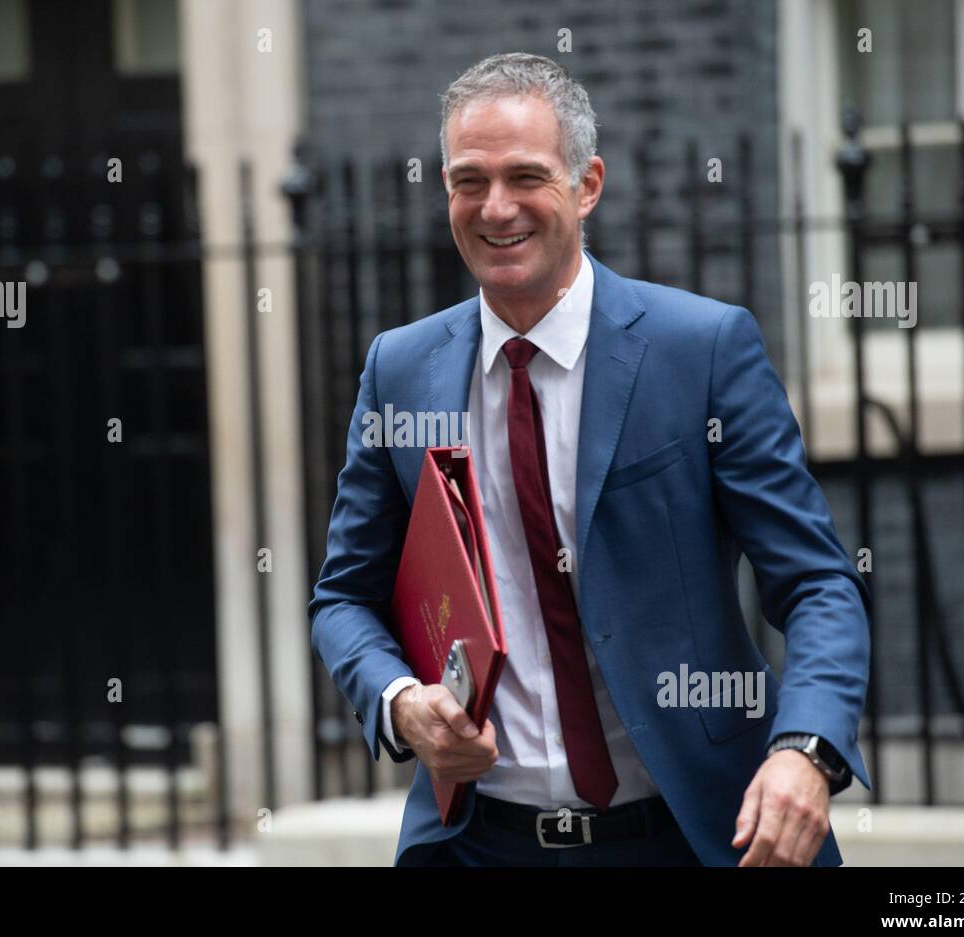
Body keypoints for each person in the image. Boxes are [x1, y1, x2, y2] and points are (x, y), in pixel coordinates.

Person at [308, 52, 870, 866]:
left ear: (587, 185)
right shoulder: (401, 368)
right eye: (469, 181)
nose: (495, 207)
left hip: (694, 835)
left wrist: (806, 749)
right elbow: (342, 600)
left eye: (525, 176)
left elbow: (818, 582)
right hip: (479, 845)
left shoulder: (701, 351)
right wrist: (400, 703)